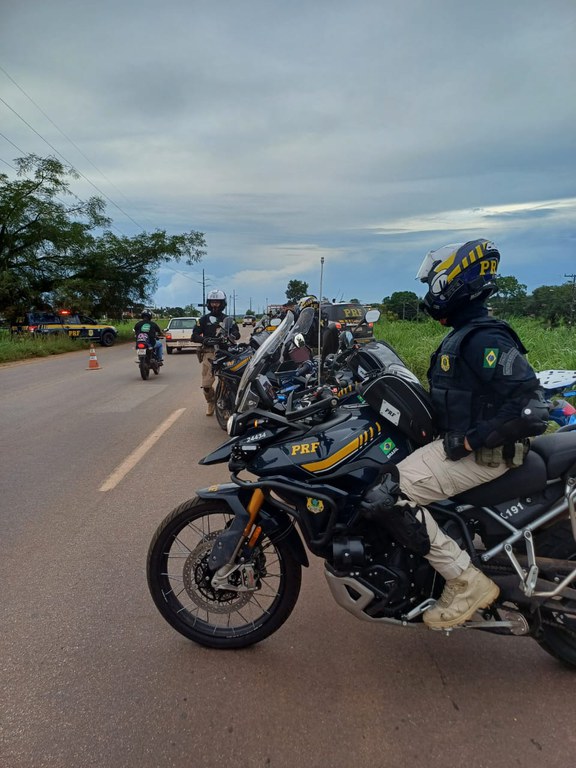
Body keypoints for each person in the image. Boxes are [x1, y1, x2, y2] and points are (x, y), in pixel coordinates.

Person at [361, 239, 549, 629]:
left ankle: (464, 580)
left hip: (486, 454)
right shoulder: (464, 333)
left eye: (437, 282)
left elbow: (530, 409)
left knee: (391, 491)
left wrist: (470, 441)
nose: (432, 291)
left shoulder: (485, 338)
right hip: (464, 446)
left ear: (456, 283)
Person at [192, 289, 240, 416]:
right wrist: (205, 339)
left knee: (227, 382)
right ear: (208, 303)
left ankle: (226, 405)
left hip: (226, 352)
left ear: (222, 303)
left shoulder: (228, 319)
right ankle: (211, 401)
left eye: (217, 302)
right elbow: (194, 336)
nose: (214, 305)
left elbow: (237, 333)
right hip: (209, 353)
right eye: (212, 302)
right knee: (206, 384)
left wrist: (230, 336)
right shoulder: (203, 319)